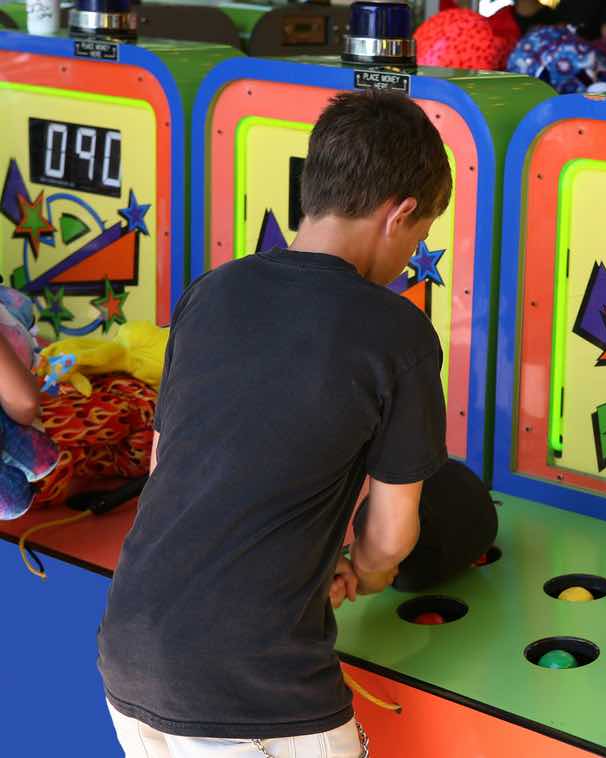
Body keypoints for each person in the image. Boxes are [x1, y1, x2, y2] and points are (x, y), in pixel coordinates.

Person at [97, 90, 451, 758]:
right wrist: (361, 573)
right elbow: (391, 532)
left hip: (128, 650)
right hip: (251, 688)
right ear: (399, 214)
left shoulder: (212, 292)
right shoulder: (396, 332)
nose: (410, 255)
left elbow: (165, 468)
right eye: (420, 237)